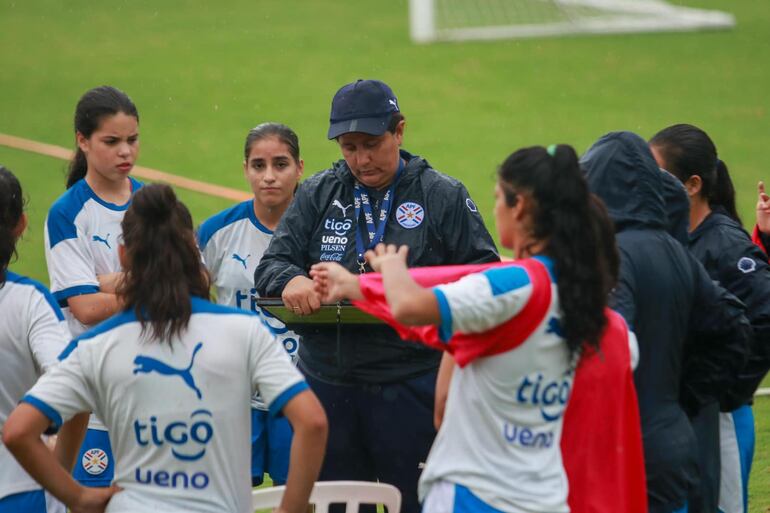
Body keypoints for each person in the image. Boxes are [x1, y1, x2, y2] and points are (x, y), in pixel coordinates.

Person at [310, 144, 628, 512]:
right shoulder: (580, 295)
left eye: (497, 198)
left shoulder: (510, 288)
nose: (494, 209)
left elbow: (413, 308)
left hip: (476, 495)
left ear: (520, 206)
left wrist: (389, 271)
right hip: (546, 498)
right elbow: (440, 321)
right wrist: (355, 287)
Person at [3, 184, 328, 513]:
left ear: (123, 256)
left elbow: (18, 432)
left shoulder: (94, 346)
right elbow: (312, 422)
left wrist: (76, 497)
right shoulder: (244, 331)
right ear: (192, 249)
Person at [254, 79, 499, 512]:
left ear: (399, 131)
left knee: (420, 504)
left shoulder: (442, 195)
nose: (361, 159)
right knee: (339, 505)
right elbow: (272, 265)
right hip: (330, 384)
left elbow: (486, 279)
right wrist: (290, 281)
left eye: (371, 144)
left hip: (411, 382)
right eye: (349, 147)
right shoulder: (318, 191)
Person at [581, 130, 751, 513]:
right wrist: (687, 395)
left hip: (632, 450)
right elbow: (734, 326)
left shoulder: (617, 255)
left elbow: (609, 348)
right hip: (673, 441)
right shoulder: (674, 248)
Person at [650, 124, 770, 513]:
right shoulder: (674, 236)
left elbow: (766, 320)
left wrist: (723, 389)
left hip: (722, 418)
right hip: (690, 414)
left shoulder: (726, 245)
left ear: (692, 184)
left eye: (659, 173)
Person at [43, 85, 143, 487]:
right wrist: (151, 284)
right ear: (82, 141)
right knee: (94, 501)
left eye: (133, 140)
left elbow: (195, 281)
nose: (126, 152)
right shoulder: (68, 213)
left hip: (151, 385)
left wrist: (103, 284)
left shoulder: (153, 203)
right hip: (96, 395)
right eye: (112, 141)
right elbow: (84, 309)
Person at [197, 122, 304, 488]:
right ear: (245, 169)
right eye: (259, 166)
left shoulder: (321, 231)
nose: (269, 177)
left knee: (296, 496)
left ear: (299, 168)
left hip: (297, 389)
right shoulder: (216, 232)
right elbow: (189, 301)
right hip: (233, 395)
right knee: (231, 494)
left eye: (281, 164)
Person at [0, 166, 70, 513]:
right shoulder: (29, 302)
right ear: (21, 225)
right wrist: (61, 473)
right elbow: (72, 387)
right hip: (22, 488)